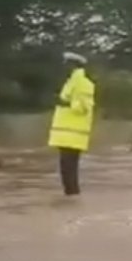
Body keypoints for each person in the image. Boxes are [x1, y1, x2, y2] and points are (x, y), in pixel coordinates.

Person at [48, 52, 95, 196]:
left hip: (74, 134)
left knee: (69, 169)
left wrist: (66, 103)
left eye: (67, 63)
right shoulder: (71, 82)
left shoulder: (84, 83)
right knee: (66, 169)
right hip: (65, 134)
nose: (64, 66)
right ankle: (71, 199)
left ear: (75, 65)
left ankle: (73, 196)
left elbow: (85, 107)